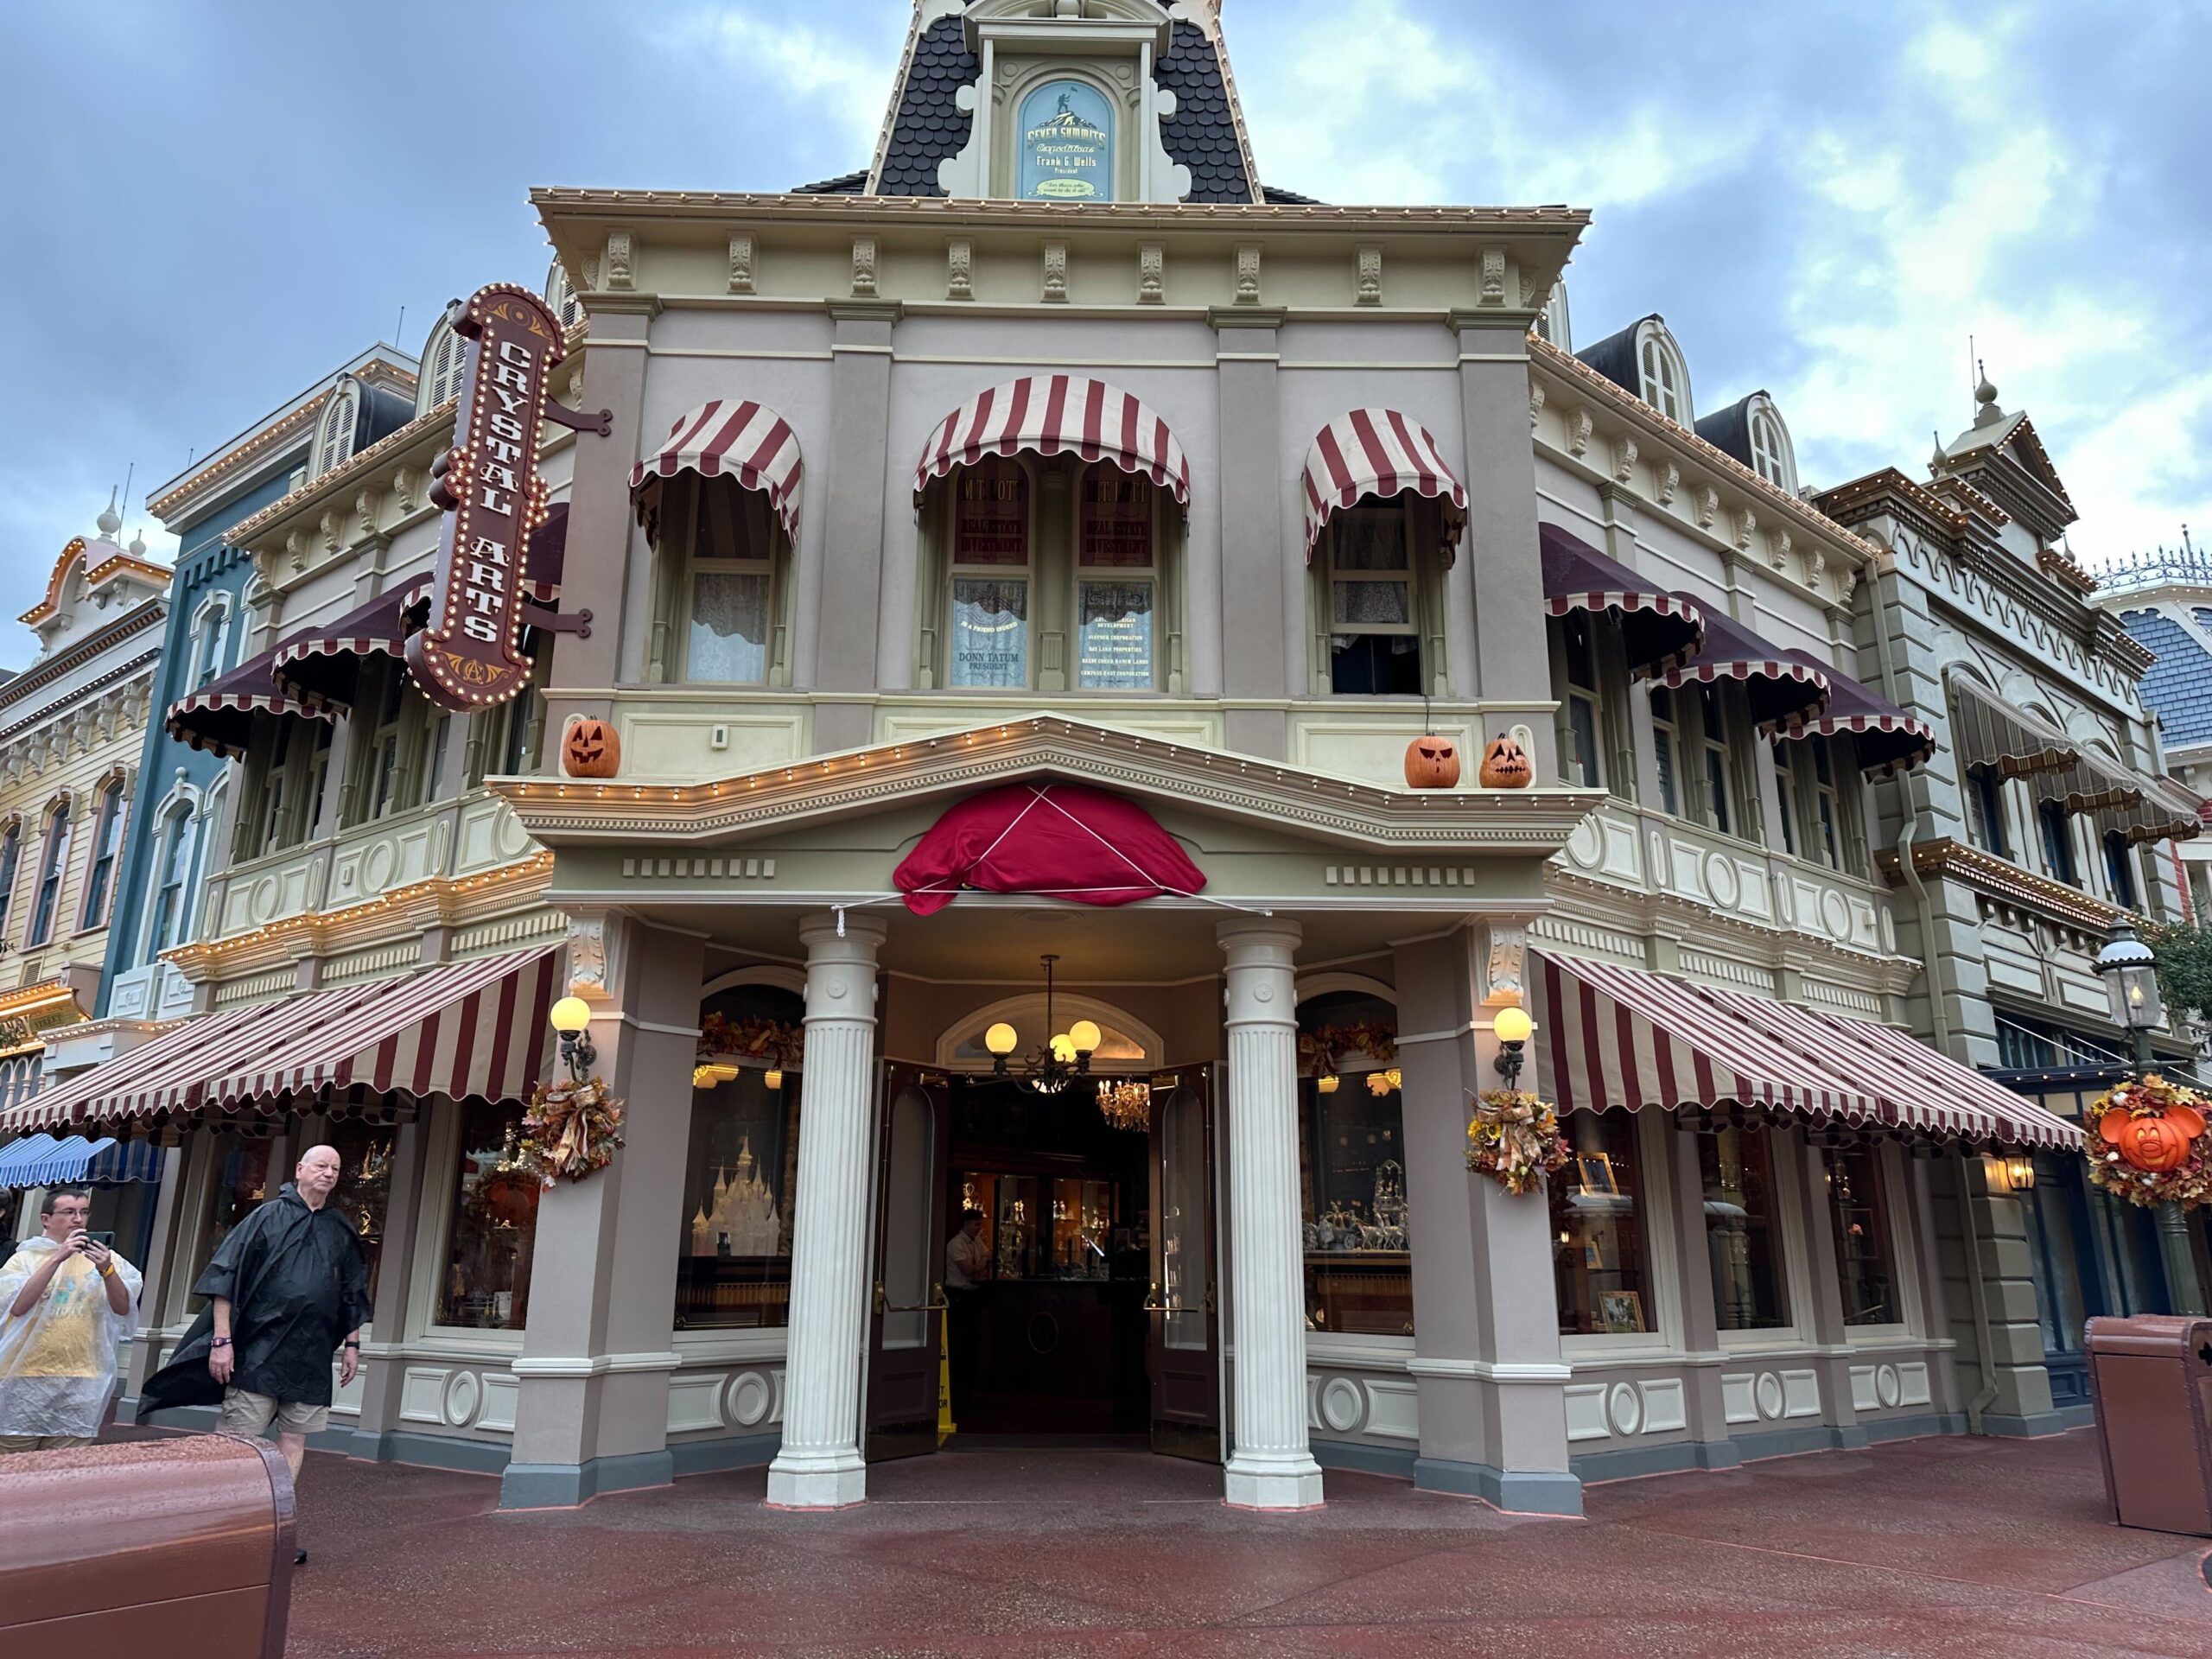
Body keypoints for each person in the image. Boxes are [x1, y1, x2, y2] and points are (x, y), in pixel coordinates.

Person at [140, 1145, 370, 1566]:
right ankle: (218, 1526)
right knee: (238, 1441)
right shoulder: (266, 1217)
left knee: (294, 1439)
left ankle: (270, 1527)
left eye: (336, 1168)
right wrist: (221, 1341)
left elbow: (351, 1291)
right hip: (257, 1351)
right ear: (300, 1169)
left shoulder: (339, 1229)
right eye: (321, 1165)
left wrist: (352, 1345)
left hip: (311, 1355)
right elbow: (225, 1280)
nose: (329, 1173)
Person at [0, 1185, 141, 1452]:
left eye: (84, 1212)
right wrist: (59, 1257)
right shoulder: (23, 1259)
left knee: (64, 1467)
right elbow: (18, 1307)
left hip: (83, 1379)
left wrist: (107, 1270)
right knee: (12, 1466)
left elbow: (123, 1308)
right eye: (68, 1212)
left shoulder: (107, 1259)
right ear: (46, 1219)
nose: (78, 1219)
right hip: (24, 1378)